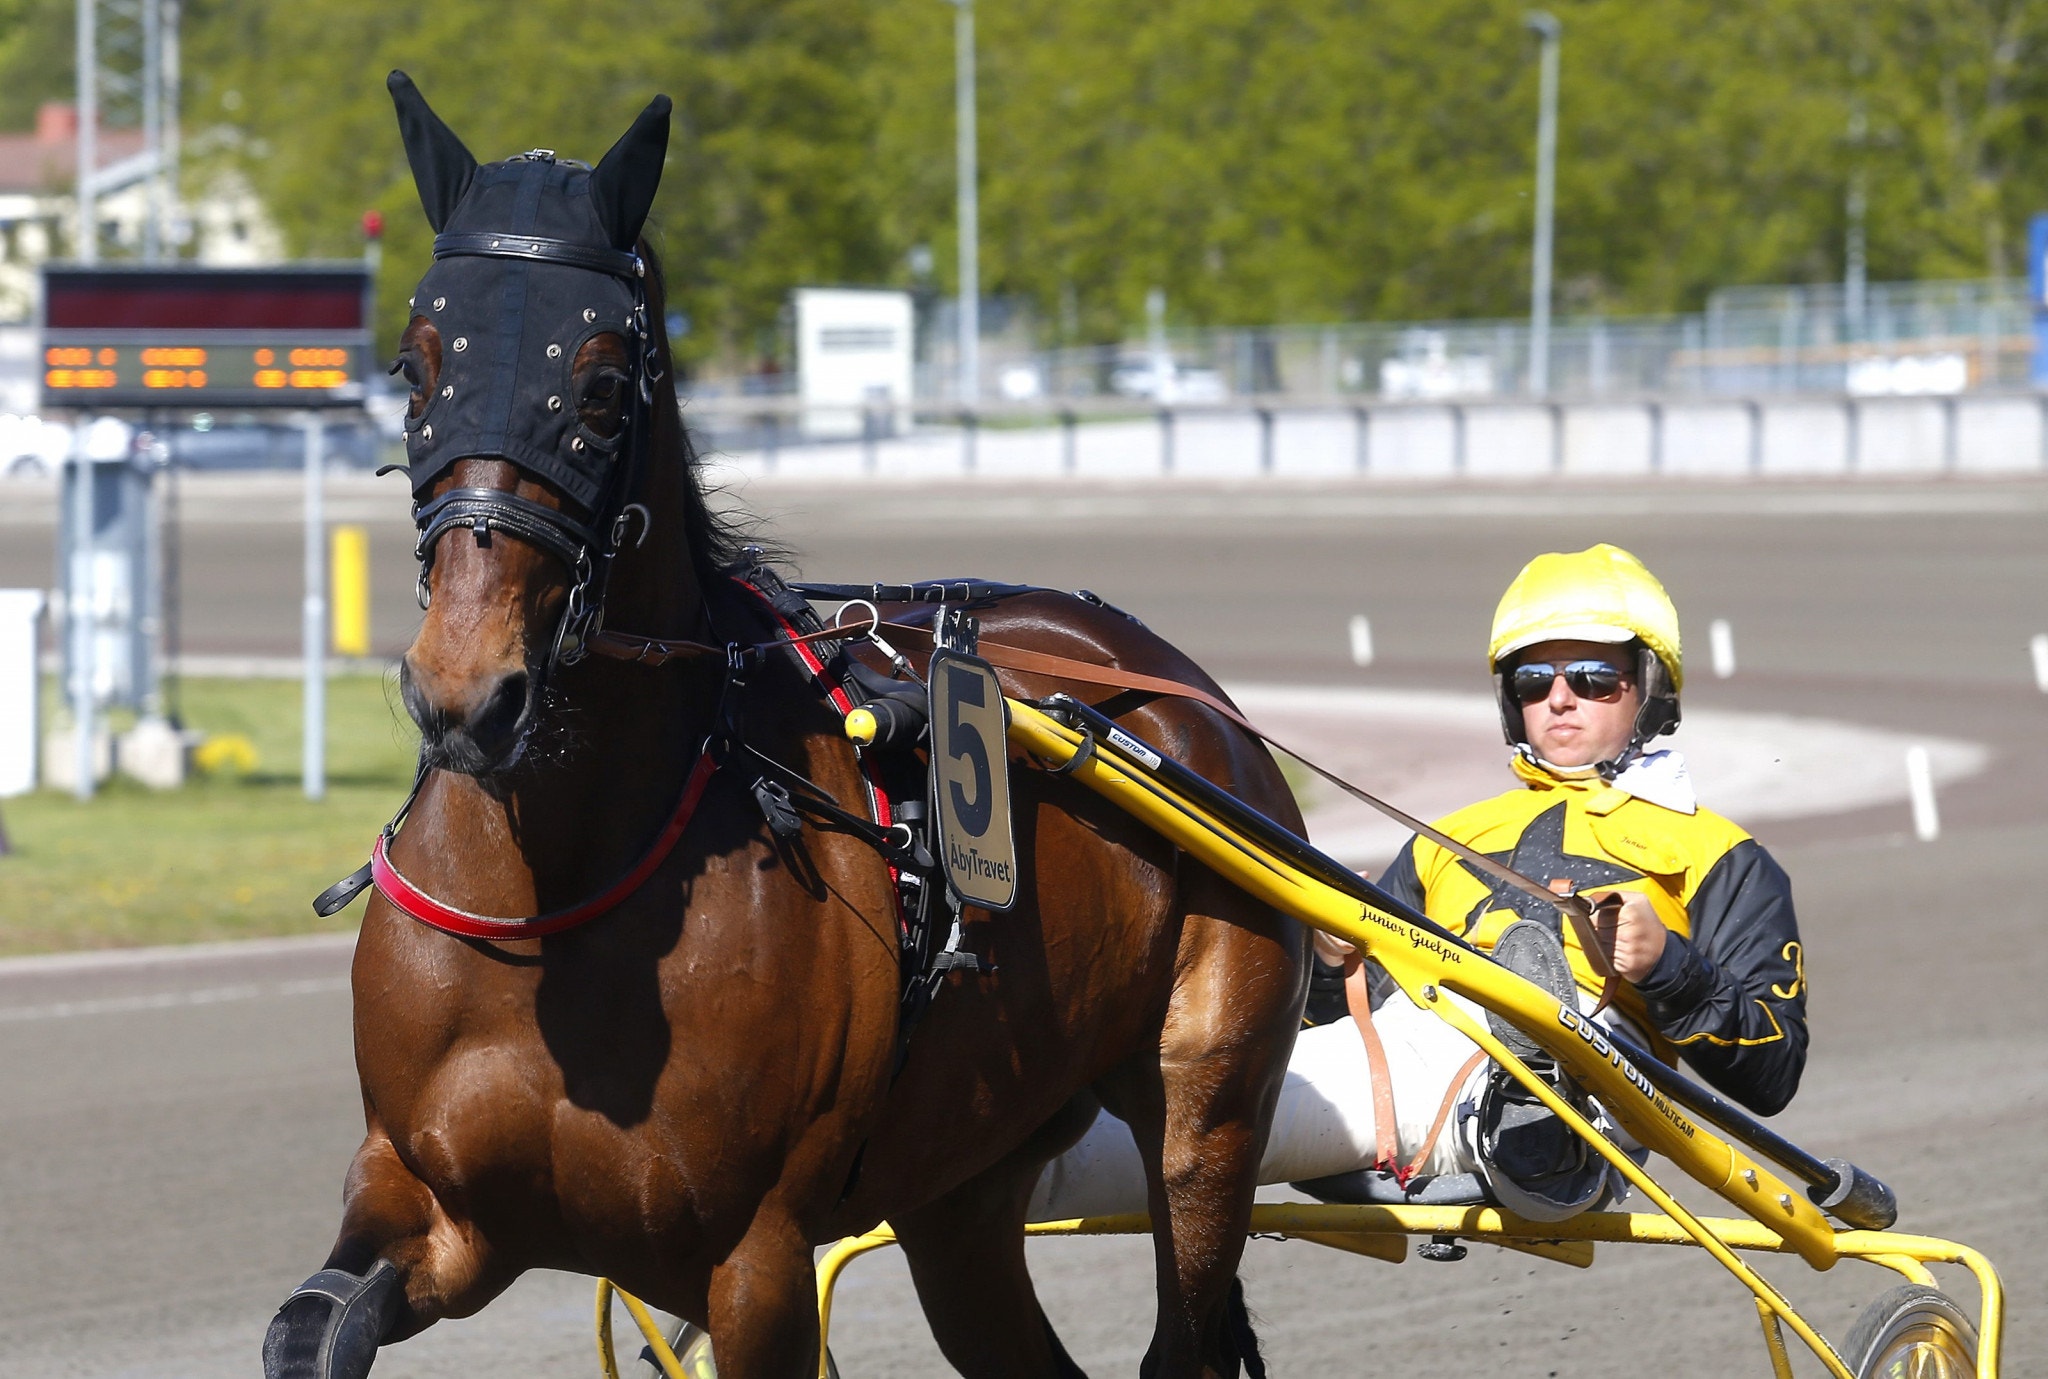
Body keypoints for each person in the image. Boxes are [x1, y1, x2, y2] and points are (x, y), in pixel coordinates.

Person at [1030, 543, 1807, 1224]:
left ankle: (1531, 1105)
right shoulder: (1451, 836)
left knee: (1515, 1044)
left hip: (1608, 1069)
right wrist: (1334, 963)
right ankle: (984, 1141)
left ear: (1651, 688)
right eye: (1535, 678)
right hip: (1415, 1050)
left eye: (1595, 677)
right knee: (1134, 1117)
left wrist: (1668, 965)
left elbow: (1772, 1071)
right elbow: (1333, 1016)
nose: (1560, 698)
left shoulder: (1723, 854)